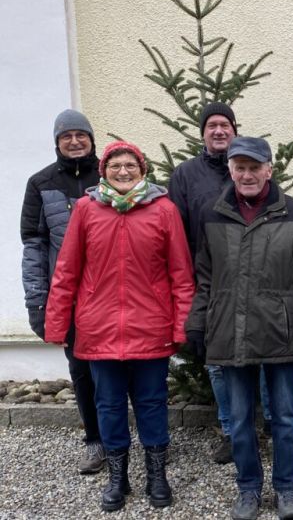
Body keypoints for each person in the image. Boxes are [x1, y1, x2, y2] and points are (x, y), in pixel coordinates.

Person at [44, 141, 195, 512]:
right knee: (109, 406)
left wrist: (182, 327)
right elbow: (66, 270)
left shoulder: (164, 210)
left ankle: (157, 476)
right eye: (115, 166)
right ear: (104, 171)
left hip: (151, 328)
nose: (123, 171)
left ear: (142, 171)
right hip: (99, 330)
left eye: (130, 165)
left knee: (152, 403)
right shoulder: (86, 209)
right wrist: (57, 324)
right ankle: (118, 478)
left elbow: (181, 274)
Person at [185, 136, 293, 520]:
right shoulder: (212, 213)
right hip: (230, 330)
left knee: (285, 418)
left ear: (269, 170)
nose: (247, 175)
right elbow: (205, 278)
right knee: (240, 420)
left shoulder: (292, 212)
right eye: (240, 167)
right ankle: (248, 489)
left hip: (280, 330)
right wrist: (197, 323)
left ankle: (286, 489)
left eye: (254, 167)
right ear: (231, 170)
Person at [168, 102, 272, 462]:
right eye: (211, 125)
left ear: (234, 130)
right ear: (202, 132)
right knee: (217, 360)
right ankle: (231, 430)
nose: (218, 131)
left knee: (264, 352)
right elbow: (175, 231)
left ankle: (270, 424)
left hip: (258, 277)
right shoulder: (185, 175)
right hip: (209, 279)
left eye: (225, 125)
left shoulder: (249, 166)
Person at [20, 109, 105, 475]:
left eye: (80, 135)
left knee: (123, 369)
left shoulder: (111, 175)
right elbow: (34, 247)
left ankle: (131, 438)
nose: (74, 141)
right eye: (66, 136)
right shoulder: (40, 183)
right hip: (68, 298)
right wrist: (37, 302)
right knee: (82, 371)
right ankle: (95, 441)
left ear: (91, 139)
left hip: (110, 295)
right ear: (57, 142)